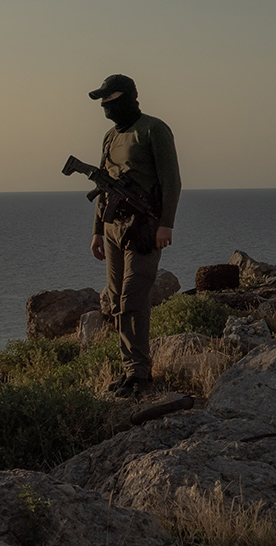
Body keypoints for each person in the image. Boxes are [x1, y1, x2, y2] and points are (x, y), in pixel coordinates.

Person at [87, 74, 181, 398]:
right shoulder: (110, 136)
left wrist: (166, 224)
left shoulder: (154, 129)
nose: (104, 106)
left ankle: (141, 374)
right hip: (113, 228)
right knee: (115, 301)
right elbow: (103, 186)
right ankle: (129, 371)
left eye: (108, 98)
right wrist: (98, 231)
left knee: (133, 298)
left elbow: (172, 181)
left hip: (144, 228)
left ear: (126, 96)